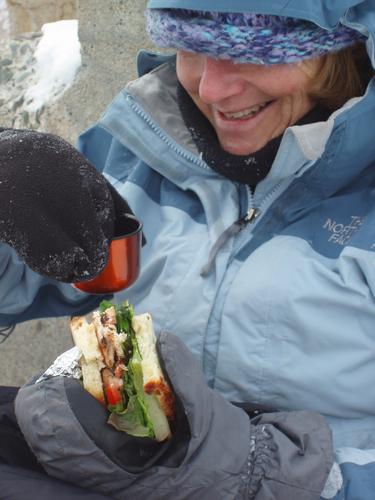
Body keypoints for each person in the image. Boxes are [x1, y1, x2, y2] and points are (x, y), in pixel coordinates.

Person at [0, 0, 374, 498]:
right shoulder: (147, 143)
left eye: (251, 53)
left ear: (339, 54)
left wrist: (259, 474)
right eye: (190, 48)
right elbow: (28, 279)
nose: (211, 89)